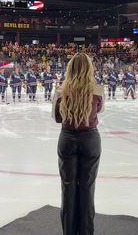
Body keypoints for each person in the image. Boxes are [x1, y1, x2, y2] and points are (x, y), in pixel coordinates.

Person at [52, 53, 104, 235]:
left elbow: (58, 118)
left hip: (67, 139)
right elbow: (99, 109)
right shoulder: (97, 89)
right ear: (89, 69)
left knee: (68, 189)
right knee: (87, 189)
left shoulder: (61, 91)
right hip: (90, 139)